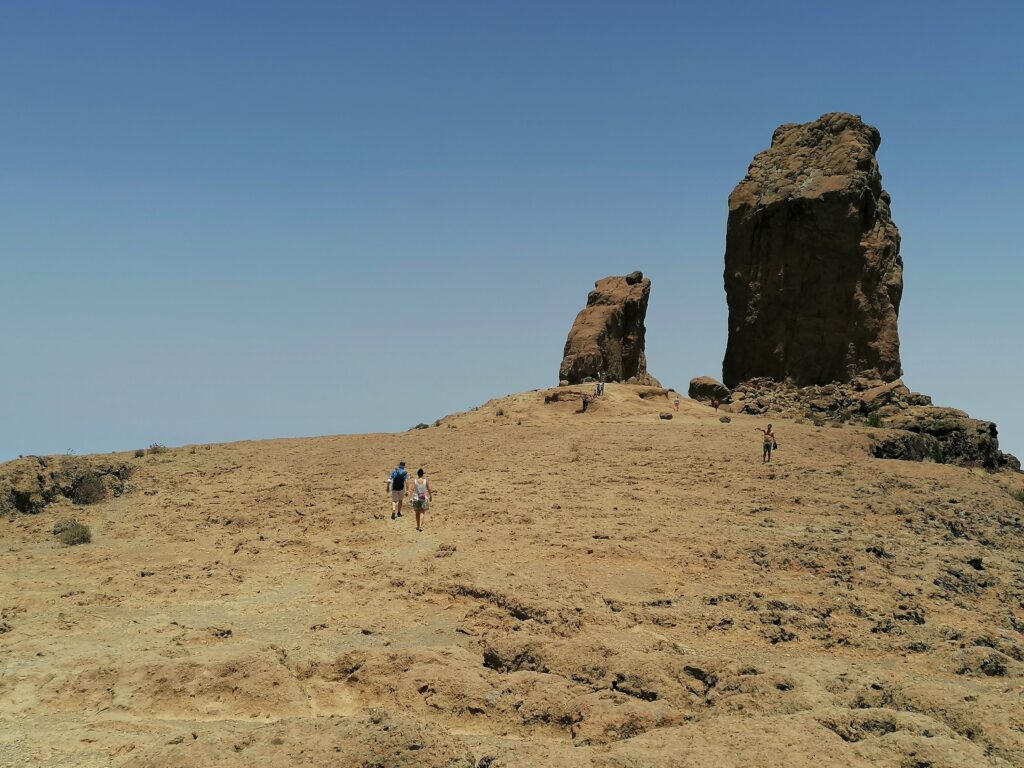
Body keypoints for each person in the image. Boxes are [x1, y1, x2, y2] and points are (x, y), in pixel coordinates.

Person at [408, 467, 432, 532]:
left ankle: (418, 526)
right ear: (422, 474)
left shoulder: (415, 481)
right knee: (422, 512)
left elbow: (412, 490)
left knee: (417, 513)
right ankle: (420, 526)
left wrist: (410, 498)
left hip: (416, 498)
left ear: (418, 474)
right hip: (423, 498)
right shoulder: (425, 481)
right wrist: (431, 496)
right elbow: (429, 489)